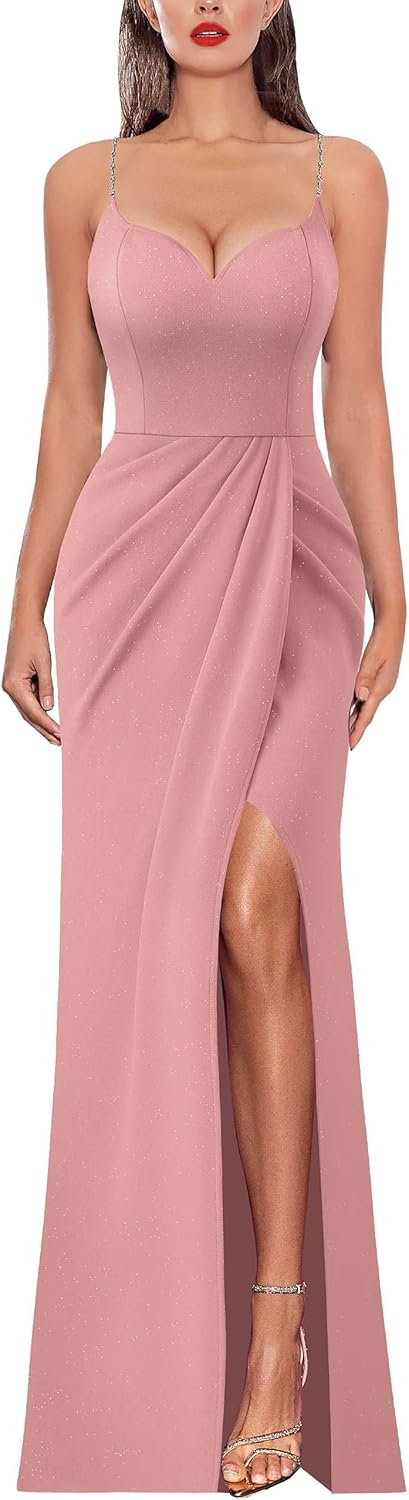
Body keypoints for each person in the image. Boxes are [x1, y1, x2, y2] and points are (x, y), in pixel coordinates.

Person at [4, 1, 406, 1493]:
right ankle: (148, 1369)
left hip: (294, 561)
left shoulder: (344, 174)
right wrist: (27, 594)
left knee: (259, 901)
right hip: (134, 578)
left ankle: (277, 1339)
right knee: (144, 958)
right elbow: (71, 402)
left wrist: (394, 585)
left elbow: (355, 392)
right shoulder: (81, 182)